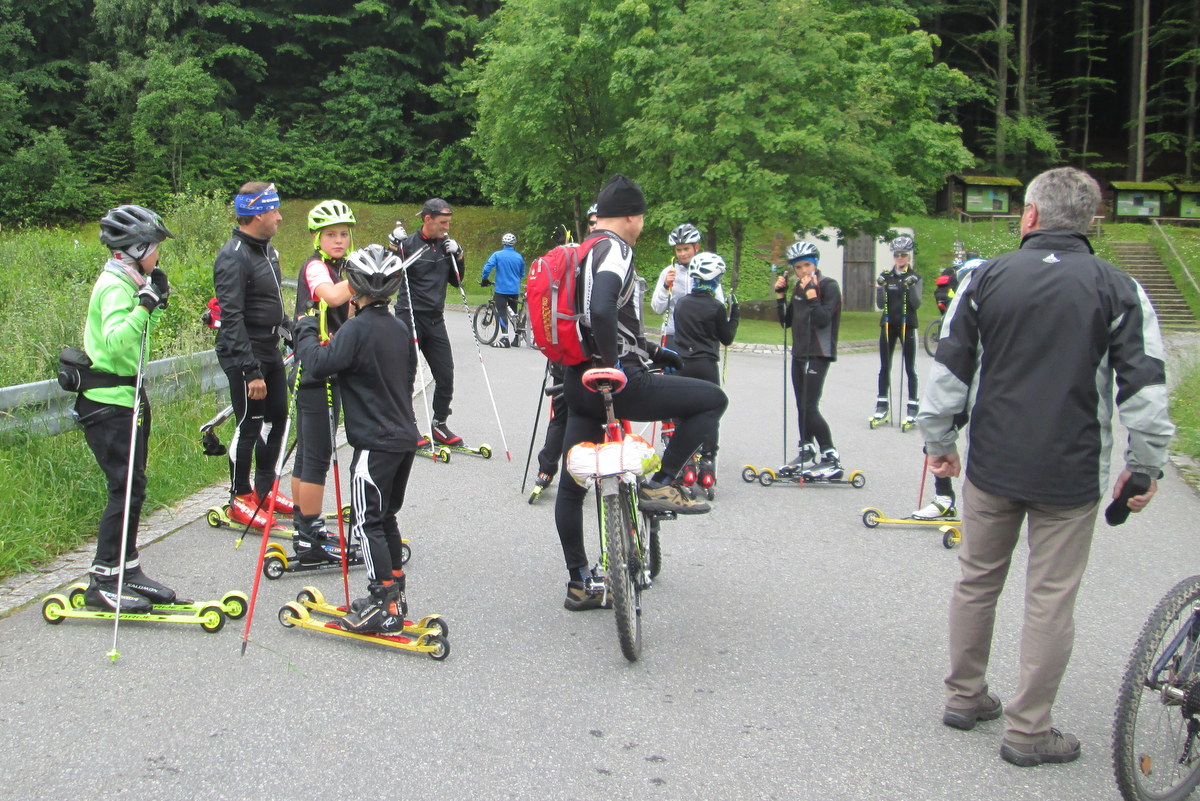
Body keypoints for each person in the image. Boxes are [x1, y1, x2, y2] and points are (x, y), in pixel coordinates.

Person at [919, 167, 1174, 767]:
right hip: (1070, 470)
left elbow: (950, 369)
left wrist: (939, 440)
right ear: (1091, 222)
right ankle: (1029, 730)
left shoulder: (985, 279)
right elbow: (1145, 390)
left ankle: (964, 696)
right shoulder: (1119, 288)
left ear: (1029, 216)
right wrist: (1144, 466)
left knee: (977, 579)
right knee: (1050, 598)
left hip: (993, 462)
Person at [554, 174, 728, 611]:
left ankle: (579, 582)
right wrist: (615, 365)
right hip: (619, 382)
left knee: (572, 486)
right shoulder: (616, 249)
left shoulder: (581, 251)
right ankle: (661, 483)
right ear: (632, 216)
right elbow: (601, 308)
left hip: (578, 382)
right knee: (713, 400)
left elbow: (598, 318)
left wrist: (653, 349)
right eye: (642, 217)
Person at [294, 244, 422, 633]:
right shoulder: (400, 328)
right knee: (385, 517)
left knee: (366, 523)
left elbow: (318, 365)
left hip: (374, 443)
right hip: (404, 439)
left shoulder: (355, 329)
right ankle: (395, 593)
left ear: (355, 288)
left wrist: (304, 329)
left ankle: (383, 603)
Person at [76, 205, 176, 612]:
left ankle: (127, 568)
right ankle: (102, 579)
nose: (158, 255)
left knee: (134, 486)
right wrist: (143, 306)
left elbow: (137, 339)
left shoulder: (129, 280)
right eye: (154, 248)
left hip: (127, 395)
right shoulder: (116, 286)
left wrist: (154, 300)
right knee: (124, 487)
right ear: (136, 249)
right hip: (108, 402)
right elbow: (117, 343)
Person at [213, 181, 291, 529]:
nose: (280, 217)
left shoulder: (267, 250)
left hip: (269, 346)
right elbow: (231, 319)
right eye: (274, 210)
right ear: (258, 214)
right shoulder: (233, 256)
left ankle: (264, 489)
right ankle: (239, 497)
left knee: (278, 418)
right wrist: (251, 371)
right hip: (244, 352)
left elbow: (273, 304)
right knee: (250, 424)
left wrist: (293, 333)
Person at [289, 200, 358, 562]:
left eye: (344, 234)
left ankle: (306, 526)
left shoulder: (343, 268)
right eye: (331, 234)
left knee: (306, 455)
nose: (339, 240)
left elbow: (348, 313)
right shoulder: (316, 267)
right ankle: (310, 537)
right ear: (318, 238)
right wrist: (364, 277)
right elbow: (331, 296)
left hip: (324, 368)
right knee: (316, 458)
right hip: (316, 371)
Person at [913, 254, 986, 521]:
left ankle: (985, 512)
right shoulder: (957, 306)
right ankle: (944, 498)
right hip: (962, 385)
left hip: (988, 390)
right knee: (936, 435)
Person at [390, 198, 465, 446]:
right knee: (406, 375)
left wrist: (459, 255)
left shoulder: (445, 246)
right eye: (442, 222)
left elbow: (457, 281)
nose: (447, 227)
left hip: (435, 318)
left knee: (446, 374)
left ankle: (439, 424)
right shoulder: (409, 244)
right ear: (427, 219)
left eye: (449, 222)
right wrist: (393, 248)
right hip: (409, 315)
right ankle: (407, 426)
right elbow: (390, 276)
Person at [774, 241, 842, 478]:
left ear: (815, 263)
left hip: (819, 352)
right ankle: (806, 449)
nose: (803, 271)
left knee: (809, 405)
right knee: (801, 405)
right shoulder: (798, 288)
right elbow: (786, 321)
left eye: (807, 265)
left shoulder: (828, 286)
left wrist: (812, 296)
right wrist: (781, 296)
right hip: (800, 352)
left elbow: (823, 319)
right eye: (798, 267)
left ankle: (830, 455)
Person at [672, 251, 739, 490]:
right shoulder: (716, 307)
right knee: (709, 414)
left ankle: (687, 463)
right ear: (715, 280)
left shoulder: (681, 304)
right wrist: (734, 314)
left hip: (683, 364)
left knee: (682, 414)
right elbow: (727, 338)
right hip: (706, 365)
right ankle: (708, 463)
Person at [872, 235, 922, 426]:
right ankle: (881, 405)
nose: (900, 258)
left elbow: (916, 304)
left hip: (907, 324)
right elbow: (879, 304)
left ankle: (912, 407)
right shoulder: (887, 276)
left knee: (910, 368)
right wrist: (879, 287)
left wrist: (911, 287)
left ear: (909, 256)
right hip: (888, 325)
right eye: (897, 255)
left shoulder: (915, 277)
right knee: (884, 366)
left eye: (903, 255)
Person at [650, 223, 703, 350]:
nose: (682, 253)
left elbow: (718, 303)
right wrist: (665, 286)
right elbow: (657, 308)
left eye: (686, 249)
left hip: (699, 335)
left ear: (696, 247)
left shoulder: (706, 272)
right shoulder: (668, 272)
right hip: (672, 334)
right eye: (679, 250)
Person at [480, 232, 526, 348]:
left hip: (501, 289)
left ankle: (505, 339)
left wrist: (484, 279)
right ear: (514, 244)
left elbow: (487, 267)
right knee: (514, 314)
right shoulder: (519, 257)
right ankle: (517, 338)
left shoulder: (497, 255)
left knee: (502, 312)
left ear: (503, 243)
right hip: (514, 290)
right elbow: (522, 273)